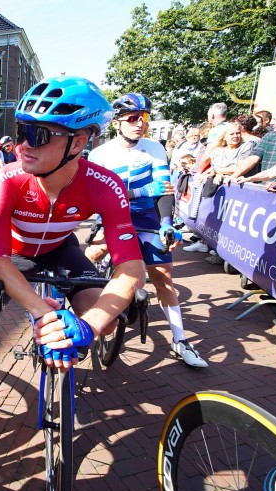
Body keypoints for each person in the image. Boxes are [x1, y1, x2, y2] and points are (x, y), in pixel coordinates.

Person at [0, 76, 148, 468]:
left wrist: (90, 325)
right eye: (21, 131)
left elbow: (131, 268)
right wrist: (42, 310)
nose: (23, 145)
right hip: (14, 256)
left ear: (79, 142)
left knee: (100, 314)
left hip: (61, 250)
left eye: (39, 134)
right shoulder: (8, 177)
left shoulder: (105, 184)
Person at [87, 92, 208, 368]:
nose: (139, 123)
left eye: (143, 118)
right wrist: (142, 190)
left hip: (147, 217)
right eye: (132, 119)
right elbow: (99, 197)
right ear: (117, 122)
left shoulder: (154, 148)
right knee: (89, 256)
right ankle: (82, 310)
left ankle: (180, 340)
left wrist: (166, 223)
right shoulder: (100, 154)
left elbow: (164, 190)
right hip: (114, 215)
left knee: (164, 278)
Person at [227, 104, 276, 181]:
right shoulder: (270, 136)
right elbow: (252, 158)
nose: (272, 123)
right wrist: (234, 176)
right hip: (265, 187)